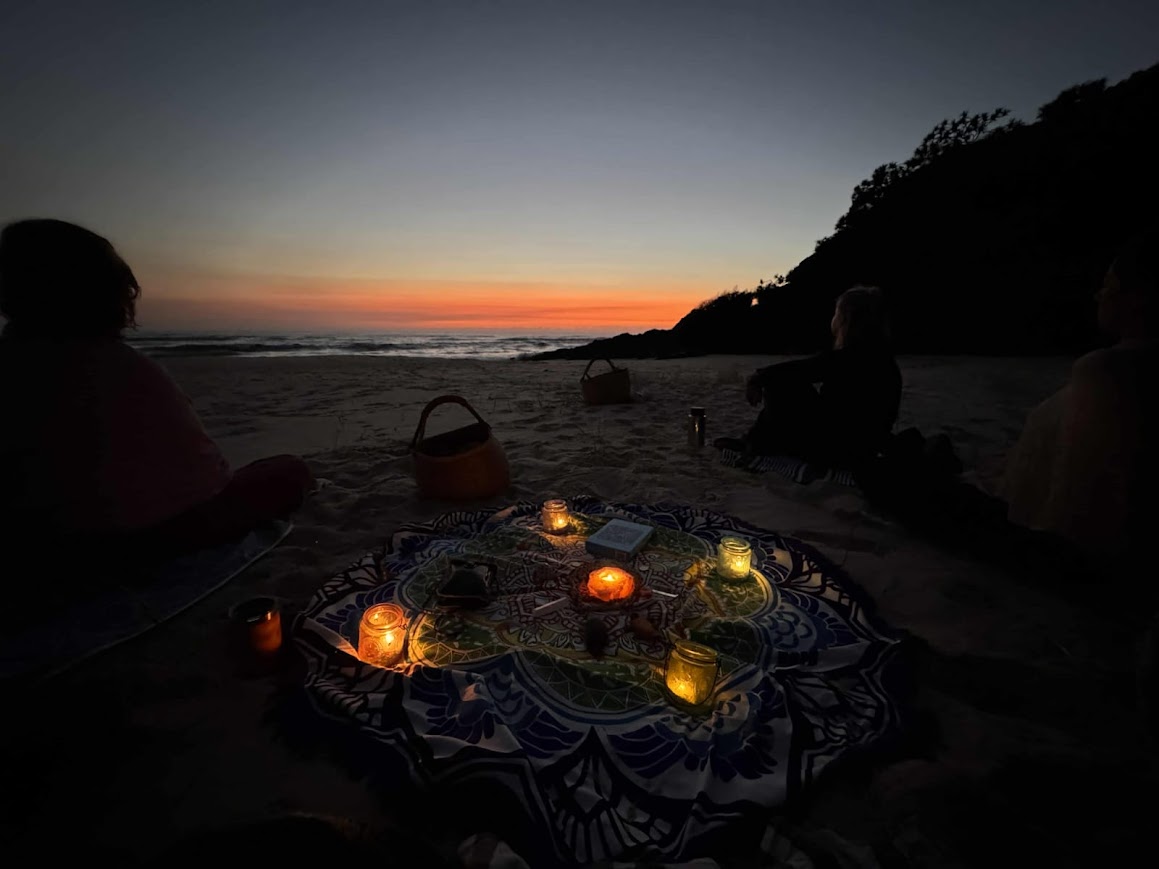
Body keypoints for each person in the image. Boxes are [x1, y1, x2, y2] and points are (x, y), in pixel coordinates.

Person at [0, 219, 313, 569]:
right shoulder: (122, 367)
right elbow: (206, 480)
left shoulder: (13, 362)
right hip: (149, 538)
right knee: (288, 470)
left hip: (44, 542)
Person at [1002, 227, 1156, 560]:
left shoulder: (1107, 371)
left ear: (1137, 299)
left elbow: (1069, 514)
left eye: (1108, 286)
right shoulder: (1123, 368)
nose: (1098, 296)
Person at [717, 285, 902, 471]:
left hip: (837, 450)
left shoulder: (852, 357)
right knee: (786, 380)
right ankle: (755, 441)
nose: (833, 319)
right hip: (864, 448)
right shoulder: (883, 361)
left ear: (846, 320)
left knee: (780, 383)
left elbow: (802, 370)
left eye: (836, 313)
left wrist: (757, 378)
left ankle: (755, 444)